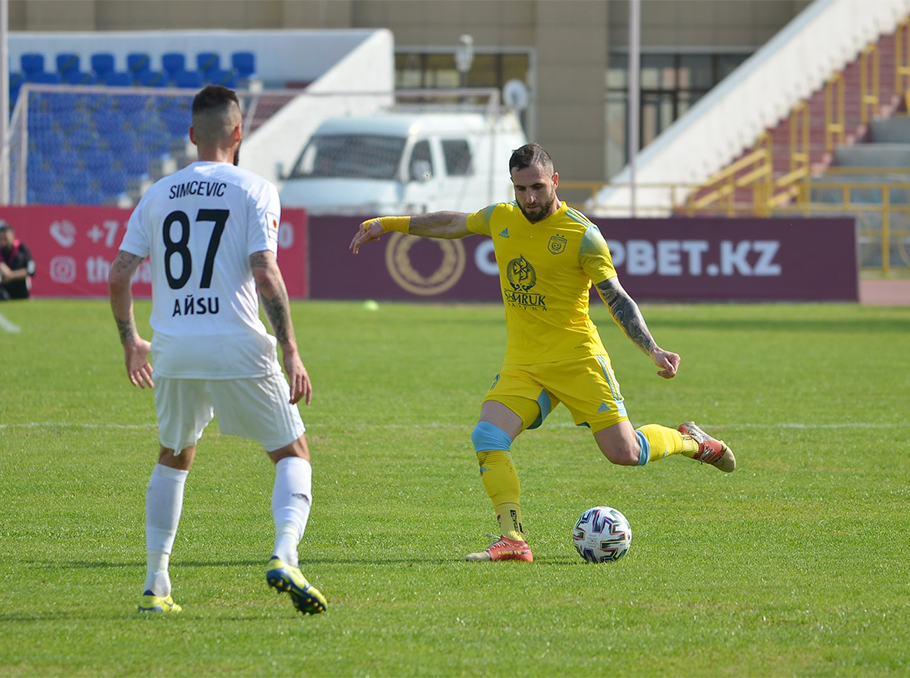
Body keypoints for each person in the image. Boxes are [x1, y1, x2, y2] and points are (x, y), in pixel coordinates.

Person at [350, 143, 735, 563]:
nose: (529, 198)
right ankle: (513, 539)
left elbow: (616, 298)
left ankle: (692, 442)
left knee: (626, 454)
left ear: (554, 181)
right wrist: (388, 224)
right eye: (521, 189)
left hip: (578, 360)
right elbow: (452, 224)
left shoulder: (583, 235)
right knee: (488, 436)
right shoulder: (501, 217)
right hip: (524, 363)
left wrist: (653, 348)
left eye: (536, 187)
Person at [108, 85, 327, 613]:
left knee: (174, 456)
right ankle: (284, 555)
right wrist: (292, 350)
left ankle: (156, 585)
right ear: (238, 133)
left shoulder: (157, 194)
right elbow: (264, 271)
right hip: (238, 346)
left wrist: (131, 343)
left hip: (174, 349)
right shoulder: (255, 188)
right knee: (292, 453)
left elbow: (119, 275)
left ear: (190, 136)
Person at [0, 223, 36, 300]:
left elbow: (31, 270)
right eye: (0, 239)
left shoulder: (20, 248)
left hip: (19, 286)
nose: (3, 242)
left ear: (12, 237)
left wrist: (11, 275)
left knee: (19, 258)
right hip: (3, 286)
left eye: (5, 238)